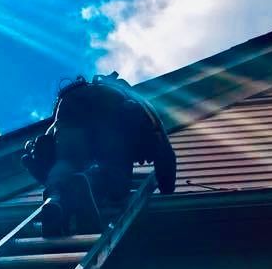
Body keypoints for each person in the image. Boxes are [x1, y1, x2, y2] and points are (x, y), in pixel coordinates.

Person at [21, 73, 176, 237]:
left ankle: (55, 199)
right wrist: (167, 190)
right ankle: (87, 181)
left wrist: (52, 182)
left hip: (68, 111)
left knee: (66, 162)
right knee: (117, 185)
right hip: (111, 115)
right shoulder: (138, 103)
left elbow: (48, 145)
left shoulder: (78, 95)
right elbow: (165, 152)